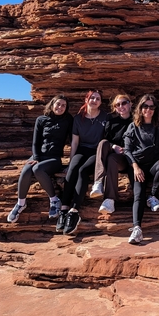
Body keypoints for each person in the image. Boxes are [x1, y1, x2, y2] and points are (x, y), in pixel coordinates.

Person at [7, 95, 73, 223]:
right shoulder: (41, 119)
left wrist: (72, 161)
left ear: (66, 108)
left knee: (37, 169)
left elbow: (72, 140)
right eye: (58, 104)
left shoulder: (68, 120)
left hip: (54, 158)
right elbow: (35, 142)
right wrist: (36, 157)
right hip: (38, 156)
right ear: (52, 104)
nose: (60, 107)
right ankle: (21, 203)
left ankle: (54, 200)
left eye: (63, 105)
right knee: (26, 171)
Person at [56, 90, 107, 236]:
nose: (94, 101)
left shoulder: (105, 117)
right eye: (92, 98)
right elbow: (75, 142)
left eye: (97, 99)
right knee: (73, 168)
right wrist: (71, 161)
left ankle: (74, 211)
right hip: (82, 149)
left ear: (101, 102)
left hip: (96, 152)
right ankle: (64, 208)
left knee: (82, 170)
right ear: (86, 99)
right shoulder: (78, 119)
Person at [123, 95, 159, 245]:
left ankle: (152, 195)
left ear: (155, 109)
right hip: (138, 166)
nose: (148, 110)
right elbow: (127, 150)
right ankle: (137, 228)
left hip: (154, 164)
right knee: (138, 195)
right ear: (140, 108)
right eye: (145, 106)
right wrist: (135, 167)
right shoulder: (133, 126)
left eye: (151, 107)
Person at [90, 93, 133, 214]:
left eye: (124, 103)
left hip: (127, 158)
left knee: (112, 158)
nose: (121, 106)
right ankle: (98, 183)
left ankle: (110, 199)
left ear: (130, 104)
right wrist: (113, 146)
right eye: (117, 105)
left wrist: (126, 149)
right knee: (103, 143)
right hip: (112, 155)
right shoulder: (111, 122)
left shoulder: (136, 122)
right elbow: (105, 141)